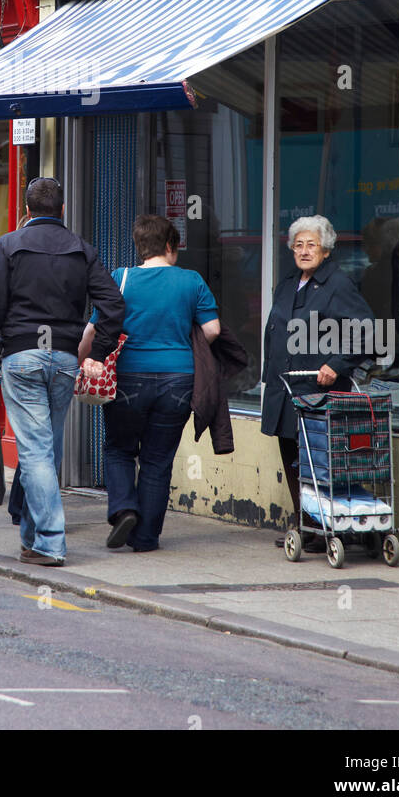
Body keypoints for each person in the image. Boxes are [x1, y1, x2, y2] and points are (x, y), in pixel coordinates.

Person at [0, 177, 125, 567]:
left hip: (22, 356)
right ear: (63, 210)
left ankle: (51, 543)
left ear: (27, 211)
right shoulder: (82, 250)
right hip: (64, 359)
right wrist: (97, 352)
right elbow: (115, 304)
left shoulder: (8, 245)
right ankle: (32, 539)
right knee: (45, 450)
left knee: (35, 451)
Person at [89, 214, 221, 554]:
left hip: (129, 377)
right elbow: (213, 331)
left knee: (119, 448)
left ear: (140, 247)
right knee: (157, 460)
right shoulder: (192, 281)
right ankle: (146, 538)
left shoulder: (121, 278)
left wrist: (85, 360)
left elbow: (96, 329)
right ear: (169, 246)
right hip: (179, 379)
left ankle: (123, 509)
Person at [261, 215, 376, 550]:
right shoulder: (287, 283)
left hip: (317, 392)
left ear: (326, 250)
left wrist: (337, 365)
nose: (304, 250)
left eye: (311, 244)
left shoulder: (338, 284)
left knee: (316, 460)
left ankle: (323, 525)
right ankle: (306, 524)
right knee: (291, 456)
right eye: (298, 244)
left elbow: (368, 330)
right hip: (285, 390)